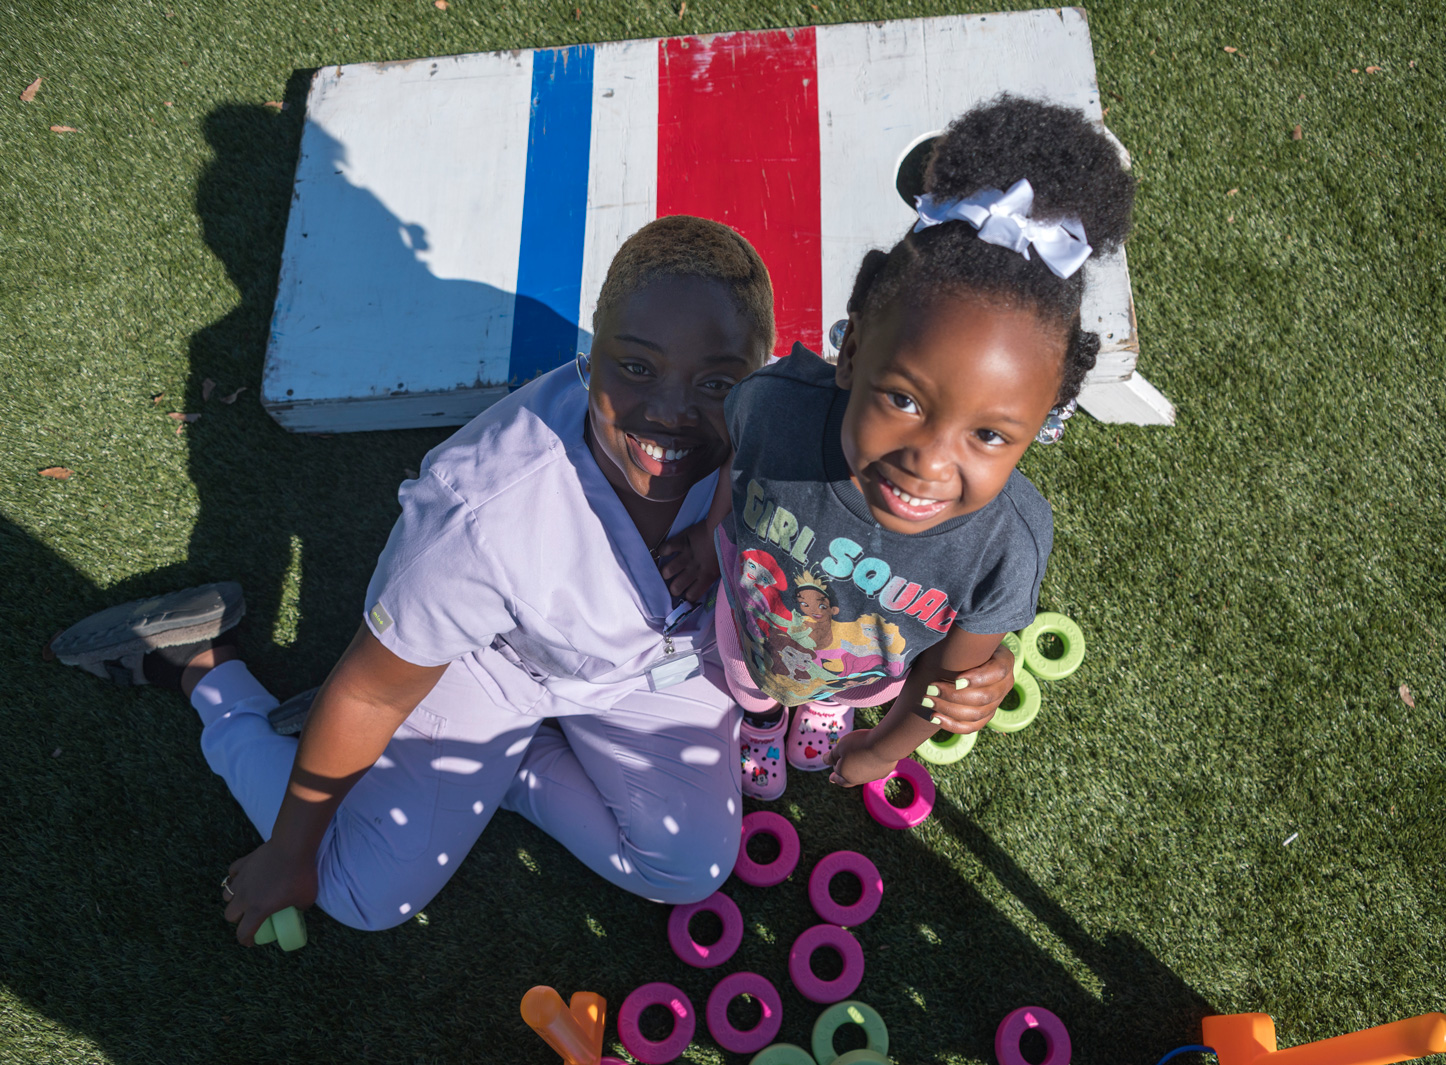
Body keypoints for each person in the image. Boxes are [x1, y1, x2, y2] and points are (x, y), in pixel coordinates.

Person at [51, 216, 1016, 944]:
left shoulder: (812, 424)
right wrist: (287, 852)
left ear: (772, 373)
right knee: (359, 894)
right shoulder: (486, 510)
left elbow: (925, 532)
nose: (673, 414)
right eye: (635, 367)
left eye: (719, 381)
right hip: (491, 668)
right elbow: (373, 683)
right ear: (589, 351)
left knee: (692, 868)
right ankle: (207, 673)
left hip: (653, 673)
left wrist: (977, 664)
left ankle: (507, 771)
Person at [660, 96, 1136, 799]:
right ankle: (760, 719)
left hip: (862, 675)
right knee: (750, 681)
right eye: (905, 400)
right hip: (750, 624)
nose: (930, 459)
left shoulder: (1008, 545)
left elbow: (952, 674)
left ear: (1042, 423)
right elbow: (741, 463)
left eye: (989, 434)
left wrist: (881, 748)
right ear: (851, 352)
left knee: (835, 691)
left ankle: (822, 708)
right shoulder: (778, 402)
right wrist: (706, 539)